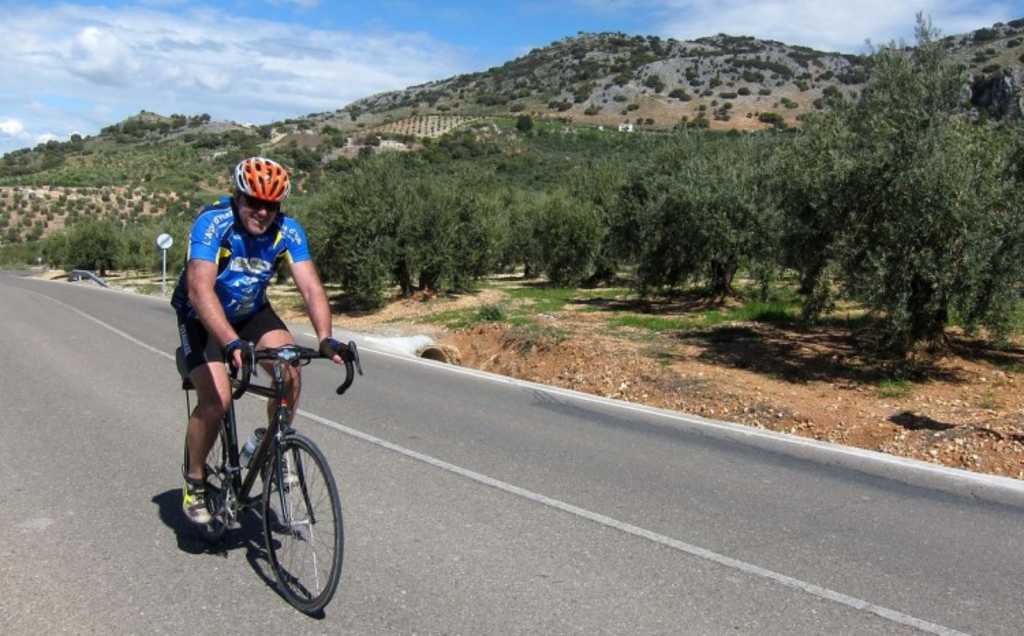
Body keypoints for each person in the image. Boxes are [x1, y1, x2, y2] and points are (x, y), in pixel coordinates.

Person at [172, 156, 342, 525]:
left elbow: (311, 287)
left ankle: (268, 446)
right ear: (238, 197)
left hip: (250, 310)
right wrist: (231, 344)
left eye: (271, 205)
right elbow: (200, 290)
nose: (262, 212)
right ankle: (196, 481)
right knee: (216, 400)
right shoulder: (214, 222)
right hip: (202, 314)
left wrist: (326, 337)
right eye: (253, 202)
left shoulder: (288, 230)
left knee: (290, 371)